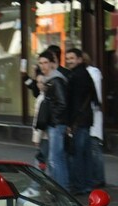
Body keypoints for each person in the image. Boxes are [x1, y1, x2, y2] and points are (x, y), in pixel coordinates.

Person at [66, 48, 97, 195]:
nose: (69, 61)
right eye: (68, 58)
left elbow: (75, 102)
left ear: (79, 59)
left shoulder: (77, 76)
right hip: (84, 119)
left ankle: (80, 185)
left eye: (72, 58)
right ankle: (87, 184)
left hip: (79, 120)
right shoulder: (83, 74)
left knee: (78, 155)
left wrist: (70, 123)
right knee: (85, 154)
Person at [40, 50, 70, 190]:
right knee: (57, 158)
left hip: (56, 125)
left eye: (46, 62)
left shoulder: (56, 80)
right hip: (54, 124)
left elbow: (63, 103)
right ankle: (62, 189)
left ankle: (61, 190)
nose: (43, 66)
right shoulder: (50, 80)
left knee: (54, 159)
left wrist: (53, 119)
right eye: (40, 63)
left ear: (52, 63)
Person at [84, 52, 105, 187]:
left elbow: (96, 96)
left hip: (93, 113)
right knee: (92, 147)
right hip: (88, 115)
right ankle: (95, 176)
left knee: (94, 147)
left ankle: (98, 177)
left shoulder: (93, 73)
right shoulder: (90, 73)